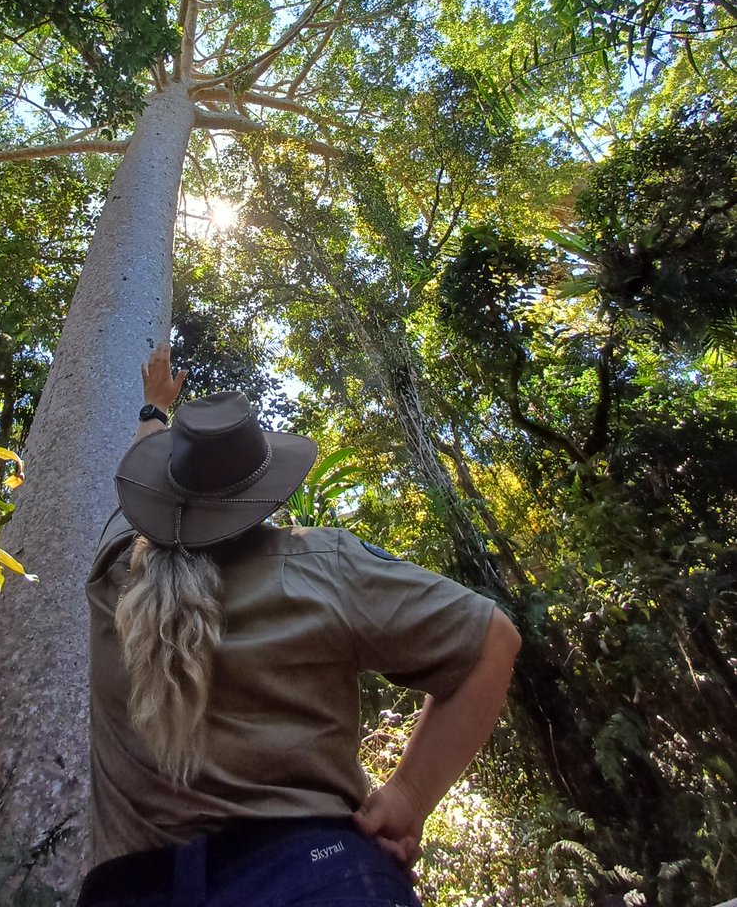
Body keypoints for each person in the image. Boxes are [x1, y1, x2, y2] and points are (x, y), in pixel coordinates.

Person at [78, 343, 521, 907]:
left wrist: (154, 409)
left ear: (163, 495)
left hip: (134, 891)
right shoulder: (324, 566)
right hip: (319, 878)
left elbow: (129, 492)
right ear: (263, 494)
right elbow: (492, 639)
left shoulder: (114, 577)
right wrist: (408, 795)